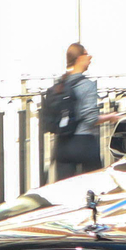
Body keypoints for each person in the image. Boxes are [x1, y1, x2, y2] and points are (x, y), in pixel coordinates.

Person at [45, 43, 102, 180]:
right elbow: (91, 119)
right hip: (84, 144)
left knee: (65, 191)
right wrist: (110, 117)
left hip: (62, 146)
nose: (90, 57)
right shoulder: (87, 85)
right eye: (87, 54)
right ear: (79, 59)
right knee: (94, 187)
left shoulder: (60, 85)